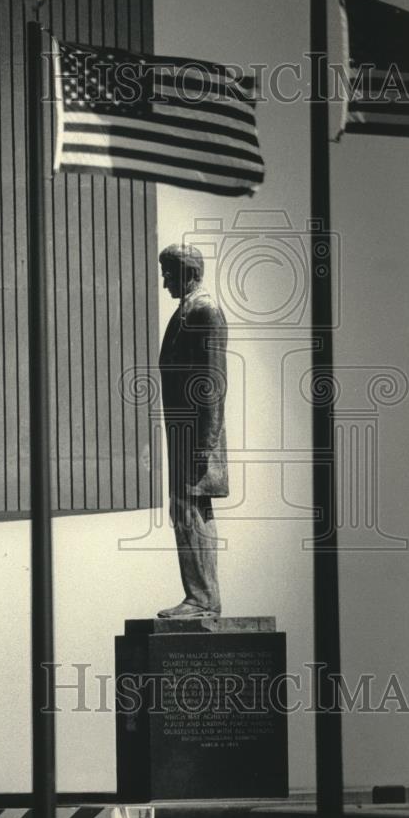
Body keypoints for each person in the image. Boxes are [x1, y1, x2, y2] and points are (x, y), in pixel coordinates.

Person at [157, 243, 228, 618]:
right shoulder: (185, 311)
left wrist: (206, 441)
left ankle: (202, 599)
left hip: (198, 437)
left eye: (169, 272)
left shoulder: (205, 312)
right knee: (185, 510)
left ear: (188, 272)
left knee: (190, 510)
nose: (164, 280)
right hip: (184, 435)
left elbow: (214, 381)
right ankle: (201, 596)